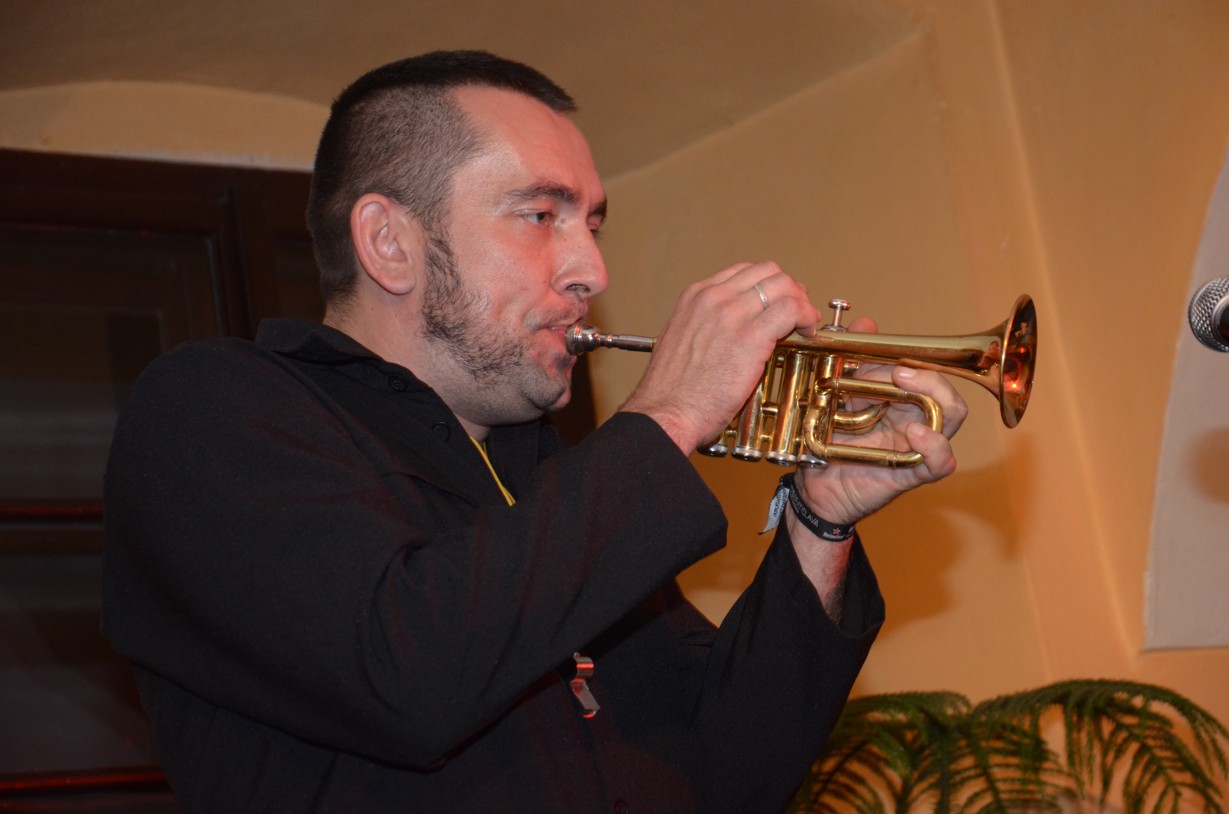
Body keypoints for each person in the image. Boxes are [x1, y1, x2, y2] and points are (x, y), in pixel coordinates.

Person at [101, 50, 966, 813]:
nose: (592, 270)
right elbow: (405, 674)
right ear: (389, 243)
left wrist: (819, 522)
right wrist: (668, 418)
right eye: (541, 215)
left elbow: (726, 772)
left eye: (592, 223)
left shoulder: (542, 475)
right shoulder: (213, 409)